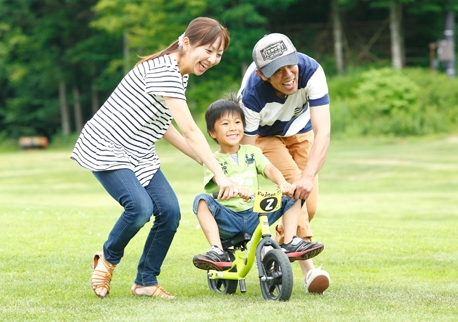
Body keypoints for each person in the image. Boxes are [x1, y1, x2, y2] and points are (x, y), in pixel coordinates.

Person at [70, 17, 241, 299]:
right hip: (108, 146)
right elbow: (188, 128)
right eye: (208, 50)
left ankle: (145, 282)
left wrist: (204, 160)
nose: (212, 59)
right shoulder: (165, 71)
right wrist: (218, 173)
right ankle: (107, 259)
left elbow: (166, 129)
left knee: (169, 212)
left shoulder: (180, 74)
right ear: (185, 43)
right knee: (139, 208)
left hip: (138, 152)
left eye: (218, 54)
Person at [237, 33, 331, 294]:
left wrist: (309, 176)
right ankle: (309, 271)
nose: (289, 74)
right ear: (263, 74)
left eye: (291, 65)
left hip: (302, 131)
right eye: (278, 71)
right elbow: (247, 149)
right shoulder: (252, 95)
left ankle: (270, 247)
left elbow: (323, 132)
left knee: (308, 206)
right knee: (292, 185)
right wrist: (243, 189)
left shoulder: (311, 70)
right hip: (264, 138)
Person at [192, 95, 324, 271]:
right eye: (225, 124)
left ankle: (290, 240)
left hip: (256, 213)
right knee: (201, 201)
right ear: (212, 132)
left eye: (237, 122)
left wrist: (282, 183)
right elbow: (219, 179)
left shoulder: (252, 152)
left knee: (295, 192)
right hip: (229, 217)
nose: (233, 128)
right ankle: (217, 250)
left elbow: (269, 168)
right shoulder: (212, 160)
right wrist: (237, 189)